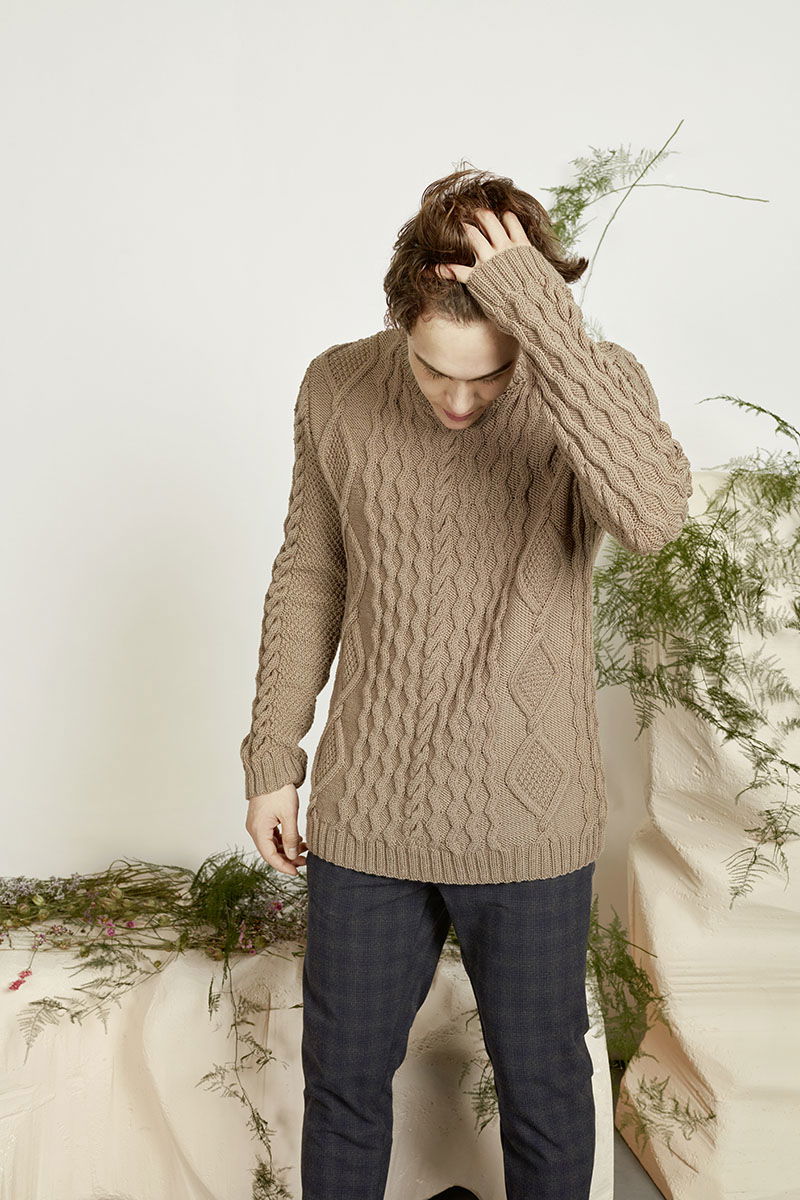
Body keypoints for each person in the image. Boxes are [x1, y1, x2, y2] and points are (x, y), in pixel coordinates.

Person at [240, 166, 693, 1200]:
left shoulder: (591, 382)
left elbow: (655, 517)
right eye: (432, 369)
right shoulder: (336, 385)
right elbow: (310, 573)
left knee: (543, 1087)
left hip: (529, 815)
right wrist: (272, 756)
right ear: (399, 316)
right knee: (342, 1082)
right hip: (368, 807)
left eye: (486, 377)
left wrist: (548, 329)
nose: (456, 400)